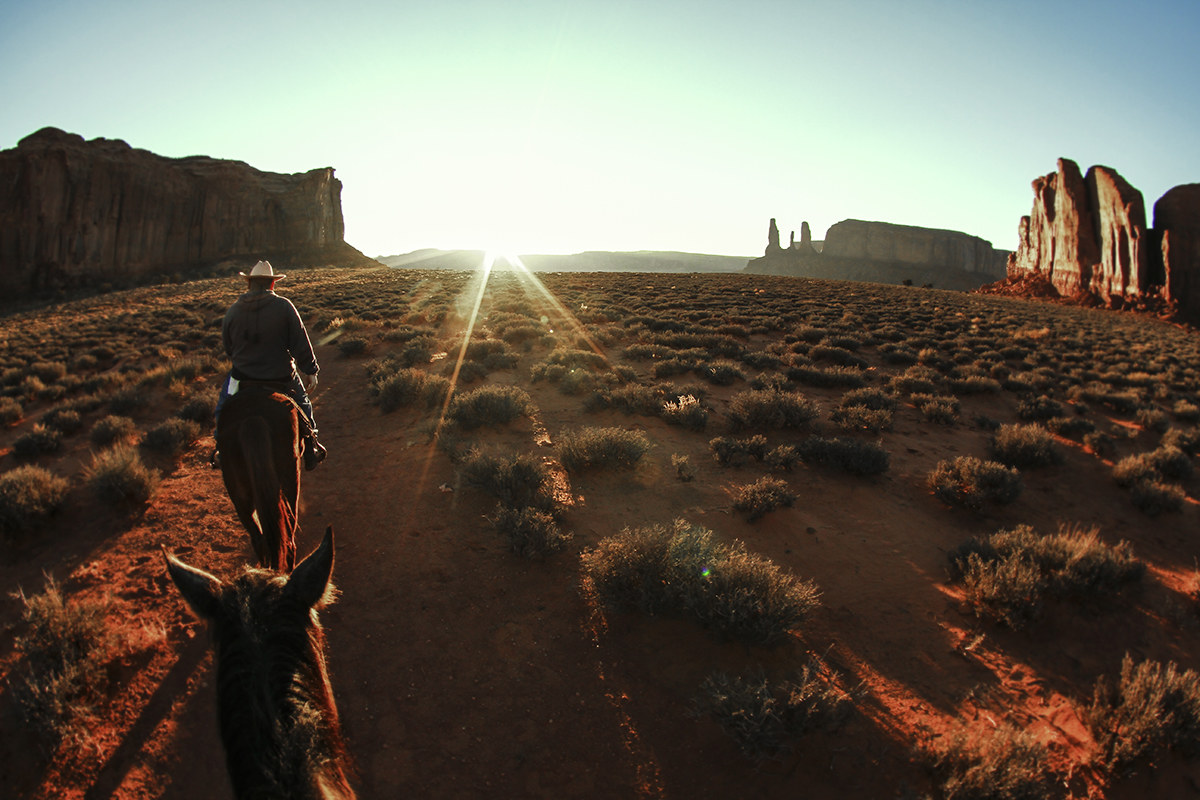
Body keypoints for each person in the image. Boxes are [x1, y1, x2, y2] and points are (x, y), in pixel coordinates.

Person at [214, 260, 327, 470]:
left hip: (242, 375)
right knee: (302, 403)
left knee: (224, 404)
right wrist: (310, 370)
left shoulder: (233, 310)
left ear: (249, 284)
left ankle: (220, 446)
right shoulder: (284, 306)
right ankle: (311, 445)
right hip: (281, 376)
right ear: (272, 284)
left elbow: (228, 347)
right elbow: (299, 341)